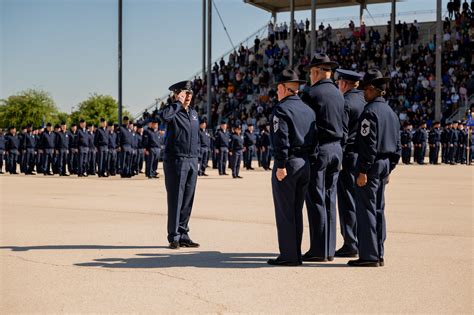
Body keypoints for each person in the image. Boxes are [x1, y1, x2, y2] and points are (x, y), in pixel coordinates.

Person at [348, 69, 401, 267]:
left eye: (365, 90)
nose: (363, 93)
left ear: (372, 90)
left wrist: (362, 170)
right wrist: (390, 168)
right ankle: (379, 253)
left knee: (366, 210)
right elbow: (398, 145)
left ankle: (368, 255)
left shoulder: (369, 113)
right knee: (379, 209)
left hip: (370, 167)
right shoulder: (391, 113)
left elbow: (367, 146)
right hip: (385, 164)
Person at [267, 68, 318, 266]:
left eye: (278, 88)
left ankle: (289, 256)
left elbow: (281, 139)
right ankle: (295, 252)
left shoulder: (281, 109)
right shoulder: (308, 110)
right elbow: (314, 139)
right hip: (305, 163)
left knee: (285, 212)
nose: (276, 92)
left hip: (288, 163)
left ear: (284, 88)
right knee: (297, 210)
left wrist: (280, 164)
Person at [301, 53, 345, 262]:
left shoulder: (311, 94)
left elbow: (305, 125)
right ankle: (329, 248)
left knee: (316, 199)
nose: (310, 76)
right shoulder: (338, 93)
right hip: (337, 149)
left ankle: (318, 250)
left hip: (319, 151)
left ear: (317, 71)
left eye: (311, 72)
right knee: (330, 198)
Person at [160, 80, 201, 249]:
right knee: (176, 198)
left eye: (190, 94)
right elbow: (164, 117)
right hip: (176, 160)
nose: (188, 97)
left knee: (187, 200)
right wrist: (177, 103)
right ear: (177, 94)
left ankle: (184, 233)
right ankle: (174, 236)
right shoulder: (172, 111)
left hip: (192, 159)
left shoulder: (193, 113)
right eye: (185, 93)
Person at [334, 69, 366, 258]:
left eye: (339, 83)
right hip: (364, 157)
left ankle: (350, 242)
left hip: (349, 156)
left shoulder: (345, 103)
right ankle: (361, 240)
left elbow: (343, 134)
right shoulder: (364, 100)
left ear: (344, 84)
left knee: (346, 201)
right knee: (360, 200)